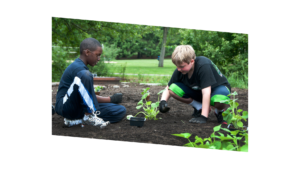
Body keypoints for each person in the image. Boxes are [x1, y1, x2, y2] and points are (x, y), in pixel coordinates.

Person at [54, 38, 126, 128]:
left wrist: (111, 99)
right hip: (66, 107)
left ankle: (77, 121)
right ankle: (88, 116)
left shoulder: (82, 70)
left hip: (79, 107)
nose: (99, 59)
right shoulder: (79, 70)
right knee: (85, 74)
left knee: (119, 110)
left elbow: (88, 96)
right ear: (87, 52)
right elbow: (85, 96)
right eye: (97, 55)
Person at [158, 45, 231, 124]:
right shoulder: (180, 70)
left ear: (192, 61)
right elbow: (168, 87)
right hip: (200, 91)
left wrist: (203, 117)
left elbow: (206, 92)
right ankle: (199, 107)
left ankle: (219, 111)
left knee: (220, 99)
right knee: (172, 89)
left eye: (181, 66)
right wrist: (163, 101)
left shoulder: (203, 65)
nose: (178, 69)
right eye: (177, 66)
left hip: (217, 89)